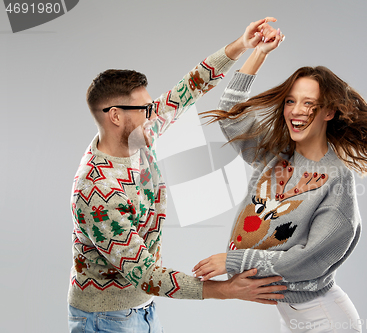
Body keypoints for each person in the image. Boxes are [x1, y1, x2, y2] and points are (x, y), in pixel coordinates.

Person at [68, 18, 288, 333]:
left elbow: (188, 88)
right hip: (106, 319)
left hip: (141, 308)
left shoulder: (138, 134)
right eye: (145, 109)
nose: (154, 112)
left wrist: (244, 45)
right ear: (115, 116)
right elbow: (143, 273)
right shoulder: (98, 191)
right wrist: (225, 291)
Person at [193, 27, 367, 332]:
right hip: (293, 314)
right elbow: (232, 114)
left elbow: (308, 261)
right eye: (290, 101)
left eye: (308, 103)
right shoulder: (276, 155)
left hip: (324, 318)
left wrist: (233, 262)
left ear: (328, 112)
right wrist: (259, 52)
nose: (296, 111)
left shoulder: (336, 180)